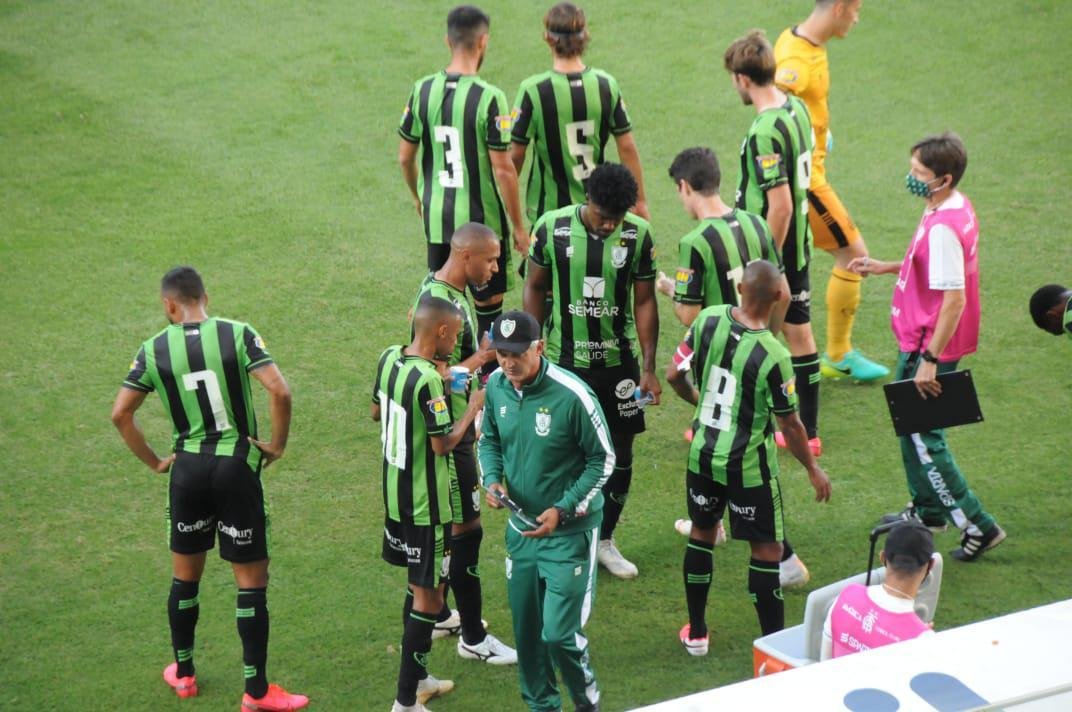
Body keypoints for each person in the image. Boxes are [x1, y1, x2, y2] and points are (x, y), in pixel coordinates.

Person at [110, 266, 307, 710]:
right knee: (251, 582)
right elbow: (280, 391)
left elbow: (120, 414)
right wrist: (276, 446)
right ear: (206, 297)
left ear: (168, 304)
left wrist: (157, 461)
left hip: (188, 471)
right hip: (235, 466)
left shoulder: (153, 347)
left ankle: (182, 674)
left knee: (185, 577)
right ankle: (256, 692)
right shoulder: (237, 334)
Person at [850, 132, 1006, 562]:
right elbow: (937, 269)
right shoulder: (953, 205)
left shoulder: (942, 228)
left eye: (920, 173)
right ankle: (929, 511)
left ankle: (979, 525)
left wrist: (930, 361)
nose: (912, 178)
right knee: (910, 425)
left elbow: (953, 299)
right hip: (924, 341)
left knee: (924, 435)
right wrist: (887, 267)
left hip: (929, 345)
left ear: (945, 177)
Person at [666, 260, 832, 656]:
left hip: (703, 457)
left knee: (702, 535)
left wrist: (699, 401)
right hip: (749, 468)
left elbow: (674, 374)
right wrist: (812, 468)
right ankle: (774, 647)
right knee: (766, 551)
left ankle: (698, 634)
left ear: (740, 289)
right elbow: (790, 424)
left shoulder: (707, 320)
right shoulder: (774, 355)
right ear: (778, 297)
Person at [523, 162, 660, 580]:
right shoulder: (551, 229)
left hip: (618, 365)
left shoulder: (637, 235)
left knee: (619, 454)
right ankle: (561, 536)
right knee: (563, 453)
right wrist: (533, 348)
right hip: (565, 364)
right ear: (587, 201)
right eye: (602, 218)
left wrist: (649, 368)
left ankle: (604, 540)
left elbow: (645, 301)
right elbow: (535, 286)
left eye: (615, 220)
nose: (608, 227)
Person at [655, 146, 790, 559]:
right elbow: (780, 290)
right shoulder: (755, 224)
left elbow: (689, 314)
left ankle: (783, 556)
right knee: (742, 448)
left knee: (736, 452)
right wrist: (771, 337)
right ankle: (712, 525)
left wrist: (668, 289)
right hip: (759, 353)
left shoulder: (694, 241)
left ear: (685, 186)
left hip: (722, 363)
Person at [479, 310, 613, 712]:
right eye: (501, 353)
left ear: (539, 347)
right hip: (520, 532)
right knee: (528, 635)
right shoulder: (497, 387)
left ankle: (587, 704)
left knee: (559, 635)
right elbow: (488, 441)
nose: (508, 362)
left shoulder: (573, 394)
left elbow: (603, 460)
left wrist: (564, 508)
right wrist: (491, 479)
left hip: (568, 535)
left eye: (517, 353)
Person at [409, 223, 517, 664]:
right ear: (465, 254)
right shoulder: (440, 302)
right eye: (490, 259)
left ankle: (437, 614)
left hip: (453, 426)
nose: (495, 268)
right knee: (465, 531)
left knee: (455, 531)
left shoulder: (447, 293)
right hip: (450, 432)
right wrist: (486, 358)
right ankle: (473, 637)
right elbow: (438, 371)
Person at [373, 296, 488, 712]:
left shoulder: (389, 358)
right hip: (428, 505)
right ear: (440, 331)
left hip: (394, 496)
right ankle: (406, 702)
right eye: (455, 335)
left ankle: (419, 677)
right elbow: (443, 445)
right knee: (429, 600)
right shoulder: (428, 382)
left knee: (424, 586)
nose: (455, 343)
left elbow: (375, 411)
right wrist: (473, 407)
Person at [774, 0, 890, 383]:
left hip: (812, 168)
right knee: (855, 256)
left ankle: (834, 352)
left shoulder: (804, 43)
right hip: (806, 181)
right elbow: (771, 105)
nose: (858, 17)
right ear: (839, 6)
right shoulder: (795, 59)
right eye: (856, 9)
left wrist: (821, 133)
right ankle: (837, 354)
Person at [398, 4, 527, 342]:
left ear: (447, 41)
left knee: (442, 305)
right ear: (483, 41)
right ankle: (483, 382)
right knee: (488, 314)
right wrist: (518, 226)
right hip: (483, 226)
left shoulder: (422, 90)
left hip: (438, 220)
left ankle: (438, 374)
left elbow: (404, 157)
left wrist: (417, 197)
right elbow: (504, 170)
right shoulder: (490, 97)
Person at [725, 30, 824, 458]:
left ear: (744, 79)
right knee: (797, 334)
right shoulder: (797, 107)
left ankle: (732, 420)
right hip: (799, 245)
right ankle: (809, 430)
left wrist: (763, 263)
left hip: (774, 250)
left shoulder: (765, 130)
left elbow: (779, 205)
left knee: (746, 329)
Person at [509, 2, 649, 223]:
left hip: (549, 215)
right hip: (599, 210)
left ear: (547, 37)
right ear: (585, 37)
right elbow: (627, 147)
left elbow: (516, 154)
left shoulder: (533, 89)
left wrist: (504, 200)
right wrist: (640, 202)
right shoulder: (606, 84)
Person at [821, 521, 935, 660]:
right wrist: (921, 637)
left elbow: (824, 664)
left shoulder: (846, 596)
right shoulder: (923, 640)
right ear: (931, 565)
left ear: (882, 558)